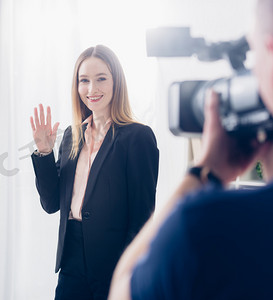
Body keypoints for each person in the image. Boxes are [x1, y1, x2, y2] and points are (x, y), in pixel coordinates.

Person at [108, 1, 273, 299]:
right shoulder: (73, 136)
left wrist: (203, 172)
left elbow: (122, 288)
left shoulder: (205, 227)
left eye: (254, 53)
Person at [30, 45, 159, 299]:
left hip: (114, 264)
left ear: (116, 82)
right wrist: (44, 151)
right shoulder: (72, 135)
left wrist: (128, 271)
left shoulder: (138, 137)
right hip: (71, 262)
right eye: (84, 81)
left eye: (101, 79)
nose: (92, 89)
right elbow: (52, 203)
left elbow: (142, 216)